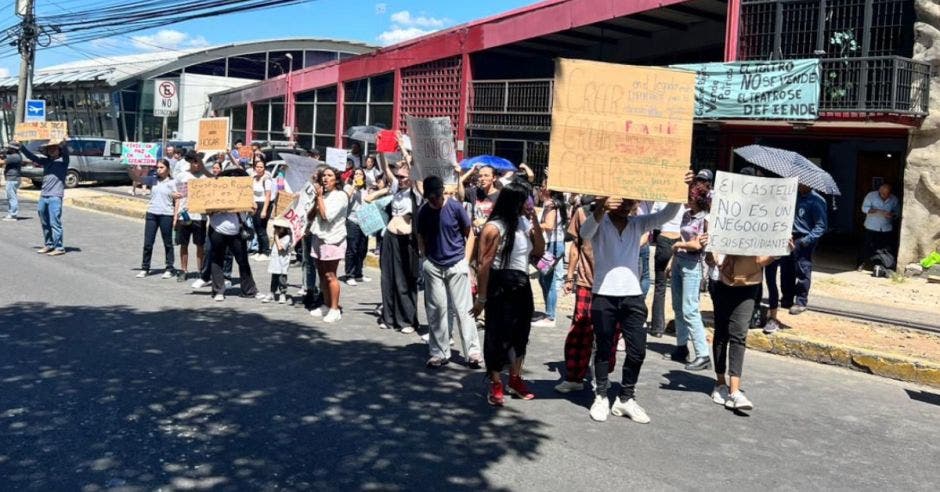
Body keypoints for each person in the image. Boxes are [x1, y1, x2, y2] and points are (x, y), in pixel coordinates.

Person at [580, 173, 690, 423]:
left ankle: (626, 397)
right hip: (604, 295)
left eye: (631, 201)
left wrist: (677, 187)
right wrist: (601, 207)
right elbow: (585, 233)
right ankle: (601, 395)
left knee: (638, 350)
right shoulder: (600, 222)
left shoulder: (638, 224)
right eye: (623, 201)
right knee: (603, 348)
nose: (627, 205)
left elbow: (667, 215)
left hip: (632, 296)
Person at [474, 177, 545, 405]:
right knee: (497, 335)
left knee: (520, 335)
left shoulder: (524, 223)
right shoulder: (495, 228)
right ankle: (495, 382)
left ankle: (515, 379)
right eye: (526, 199)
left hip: (522, 286)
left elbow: (540, 251)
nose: (530, 202)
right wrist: (481, 298)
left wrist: (534, 219)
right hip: (500, 286)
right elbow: (484, 265)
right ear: (515, 201)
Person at [555, 196, 621, 394]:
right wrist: (569, 277)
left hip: (613, 284)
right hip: (586, 280)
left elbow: (641, 239)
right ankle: (575, 376)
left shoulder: (623, 211)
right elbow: (575, 246)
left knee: (611, 331)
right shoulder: (582, 212)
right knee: (581, 330)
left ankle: (603, 374)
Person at [417, 175, 483, 369]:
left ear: (442, 191)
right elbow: (420, 235)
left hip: (456, 263)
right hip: (434, 264)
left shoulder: (455, 207)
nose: (435, 201)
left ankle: (472, 351)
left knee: (464, 310)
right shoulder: (424, 211)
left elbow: (469, 233)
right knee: (436, 310)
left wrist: (465, 260)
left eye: (437, 196)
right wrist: (424, 257)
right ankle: (439, 352)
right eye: (431, 198)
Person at [710, 253, 775, 411]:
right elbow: (710, 257)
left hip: (748, 282)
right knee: (721, 333)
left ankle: (734, 391)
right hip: (720, 281)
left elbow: (760, 260)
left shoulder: (760, 230)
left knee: (739, 334)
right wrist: (712, 254)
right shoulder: (716, 226)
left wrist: (777, 253)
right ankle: (720, 383)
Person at [666, 181, 711, 371]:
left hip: (693, 265)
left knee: (690, 309)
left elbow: (697, 245)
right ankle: (681, 346)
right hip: (678, 262)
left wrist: (678, 246)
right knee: (677, 306)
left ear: (697, 199)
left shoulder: (705, 219)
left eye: (689, 197)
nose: (685, 200)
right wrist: (672, 260)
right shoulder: (686, 215)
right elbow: (684, 238)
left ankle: (703, 354)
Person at [377, 159, 421, 334]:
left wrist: (405, 152)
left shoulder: (415, 192)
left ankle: (407, 320)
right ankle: (389, 317)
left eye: (403, 176)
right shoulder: (396, 189)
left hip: (406, 240)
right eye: (398, 177)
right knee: (387, 278)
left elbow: (415, 171)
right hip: (389, 237)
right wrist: (381, 149)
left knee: (404, 280)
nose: (400, 179)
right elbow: (385, 167)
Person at [779, 184, 828, 315]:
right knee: (786, 269)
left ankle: (801, 301)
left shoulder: (817, 201)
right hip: (789, 237)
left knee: (802, 270)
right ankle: (787, 298)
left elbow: (821, 226)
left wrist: (806, 241)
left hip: (803, 238)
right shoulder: (794, 197)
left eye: (801, 183)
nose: (799, 185)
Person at [308, 167, 348, 323]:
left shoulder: (340, 196)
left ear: (336, 179)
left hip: (333, 239)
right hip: (319, 236)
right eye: (323, 175)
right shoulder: (322, 195)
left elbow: (327, 216)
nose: (325, 178)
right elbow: (312, 215)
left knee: (331, 275)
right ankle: (325, 303)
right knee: (321, 274)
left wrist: (319, 198)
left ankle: (334, 308)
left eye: (329, 175)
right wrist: (316, 200)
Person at [16, 139, 70, 256]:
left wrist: (63, 144)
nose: (52, 151)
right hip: (44, 195)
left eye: (54, 149)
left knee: (55, 222)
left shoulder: (63, 162)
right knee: (44, 221)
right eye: (50, 149)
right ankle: (49, 244)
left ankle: (59, 247)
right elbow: (32, 157)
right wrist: (22, 147)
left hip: (55, 196)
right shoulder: (46, 162)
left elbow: (65, 152)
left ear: (58, 151)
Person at [207, 206, 262, 302]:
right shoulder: (213, 190)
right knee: (217, 259)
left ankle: (249, 290)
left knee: (243, 261)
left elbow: (252, 209)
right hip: (217, 227)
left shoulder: (244, 190)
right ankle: (218, 291)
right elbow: (204, 209)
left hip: (237, 229)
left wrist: (252, 209)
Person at [648, 201, 685, 337]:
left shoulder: (660, 200)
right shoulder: (684, 201)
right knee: (680, 286)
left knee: (660, 286)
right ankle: (680, 327)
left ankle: (657, 327)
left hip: (664, 237)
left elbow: (653, 220)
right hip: (679, 239)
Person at [137, 159, 180, 278]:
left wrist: (176, 216)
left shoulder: (173, 182)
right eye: (157, 167)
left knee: (168, 243)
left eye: (161, 167)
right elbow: (137, 178)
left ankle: (169, 268)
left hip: (166, 214)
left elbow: (177, 200)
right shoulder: (153, 180)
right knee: (148, 243)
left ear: (168, 169)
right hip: (152, 213)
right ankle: (145, 267)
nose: (159, 170)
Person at [533, 188, 568, 328]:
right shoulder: (553, 204)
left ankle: (550, 316)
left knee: (549, 280)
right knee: (544, 278)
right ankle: (549, 312)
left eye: (543, 187)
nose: (540, 190)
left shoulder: (551, 206)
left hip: (552, 245)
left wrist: (534, 225)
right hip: (553, 244)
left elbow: (549, 226)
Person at [173, 151, 209, 282]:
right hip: (185, 214)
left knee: (200, 245)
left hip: (200, 216)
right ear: (190, 162)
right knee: (184, 244)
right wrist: (175, 215)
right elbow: (176, 195)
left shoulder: (205, 177)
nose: (197, 164)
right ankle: (183, 270)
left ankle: (201, 271)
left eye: (199, 161)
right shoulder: (182, 176)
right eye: (195, 161)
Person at [343, 168, 375, 285]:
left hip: (364, 221)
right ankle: (349, 275)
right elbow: (346, 198)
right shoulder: (348, 187)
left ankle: (358, 273)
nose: (358, 176)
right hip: (352, 221)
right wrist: (354, 186)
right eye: (356, 174)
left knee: (362, 249)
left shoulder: (366, 190)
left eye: (360, 174)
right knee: (352, 248)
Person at [858, 183, 899, 271]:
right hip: (871, 226)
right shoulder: (871, 196)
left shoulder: (894, 199)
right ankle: (861, 263)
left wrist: (892, 215)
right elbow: (864, 208)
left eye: (887, 194)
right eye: (883, 194)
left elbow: (897, 212)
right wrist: (877, 210)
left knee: (883, 248)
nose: (885, 196)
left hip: (886, 227)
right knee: (866, 246)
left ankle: (879, 266)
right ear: (879, 191)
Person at [263, 218, 293, 304]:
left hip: (282, 262)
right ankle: (272, 292)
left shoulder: (287, 237)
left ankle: (282, 293)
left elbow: (280, 248)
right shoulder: (277, 237)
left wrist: (276, 237)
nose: (276, 229)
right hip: (275, 262)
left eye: (278, 228)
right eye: (275, 227)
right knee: (274, 278)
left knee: (282, 279)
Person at [251, 160, 273, 261]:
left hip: (263, 204)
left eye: (261, 167)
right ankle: (259, 251)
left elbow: (268, 195)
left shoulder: (266, 179)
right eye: (257, 167)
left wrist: (264, 210)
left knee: (262, 229)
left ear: (264, 168)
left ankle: (266, 251)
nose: (259, 169)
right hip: (255, 205)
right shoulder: (254, 178)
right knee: (256, 228)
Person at [2, 146, 23, 221]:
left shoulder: (14, 156)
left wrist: (3, 156)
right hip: (13, 178)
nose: (8, 149)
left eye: (9, 148)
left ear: (14, 149)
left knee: (11, 197)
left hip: (12, 178)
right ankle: (11, 213)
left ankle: (13, 215)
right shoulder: (15, 156)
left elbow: (2, 162)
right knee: (10, 196)